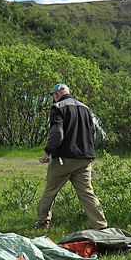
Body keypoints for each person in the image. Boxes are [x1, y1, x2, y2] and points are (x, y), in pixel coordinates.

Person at [36, 83, 108, 231]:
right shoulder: (86, 108)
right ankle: (101, 226)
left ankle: (43, 223)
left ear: (56, 95)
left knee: (51, 191)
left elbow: (57, 134)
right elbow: (93, 133)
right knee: (87, 193)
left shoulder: (58, 107)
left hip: (64, 159)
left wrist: (48, 152)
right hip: (85, 159)